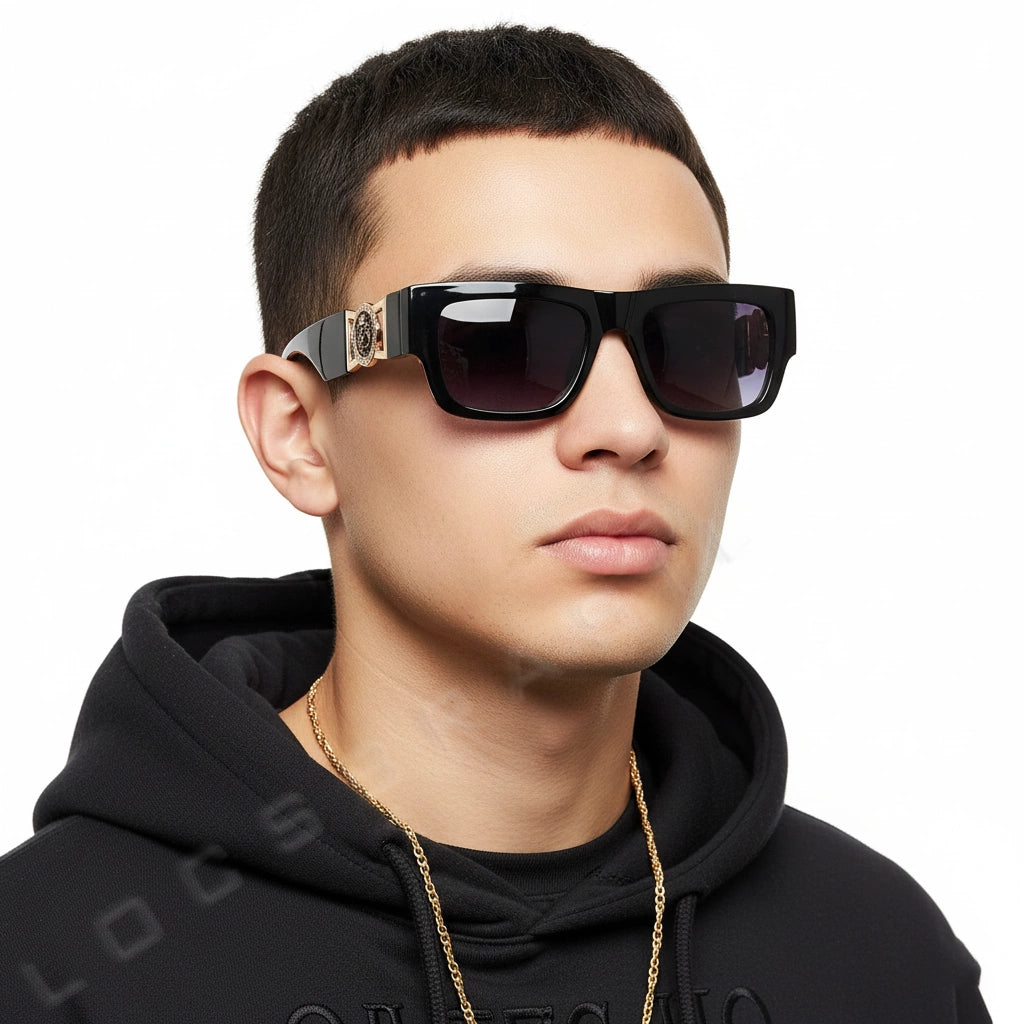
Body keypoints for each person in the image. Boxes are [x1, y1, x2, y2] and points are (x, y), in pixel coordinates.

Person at [0, 25, 989, 1024]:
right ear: (299, 432)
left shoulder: (882, 956)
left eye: (689, 343)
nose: (629, 428)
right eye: (502, 342)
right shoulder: (49, 957)